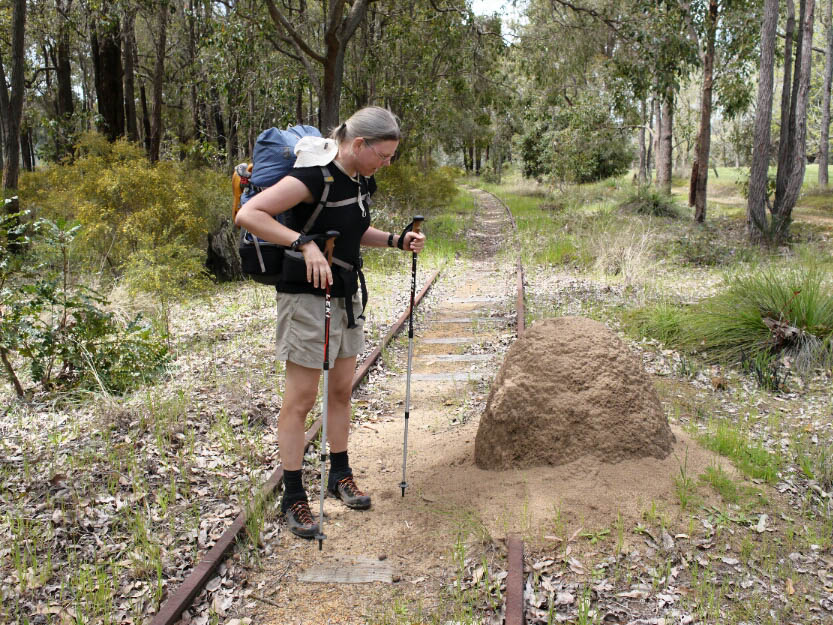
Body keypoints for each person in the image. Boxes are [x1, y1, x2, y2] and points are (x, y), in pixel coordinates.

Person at [234, 107, 425, 539]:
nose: (387, 164)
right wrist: (303, 244)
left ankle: (339, 473)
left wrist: (396, 240)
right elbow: (251, 216)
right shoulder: (312, 178)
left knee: (340, 390)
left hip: (344, 294)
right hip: (305, 299)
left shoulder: (361, 179)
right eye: (384, 155)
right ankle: (294, 496)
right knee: (300, 401)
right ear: (359, 145)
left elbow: (353, 229)